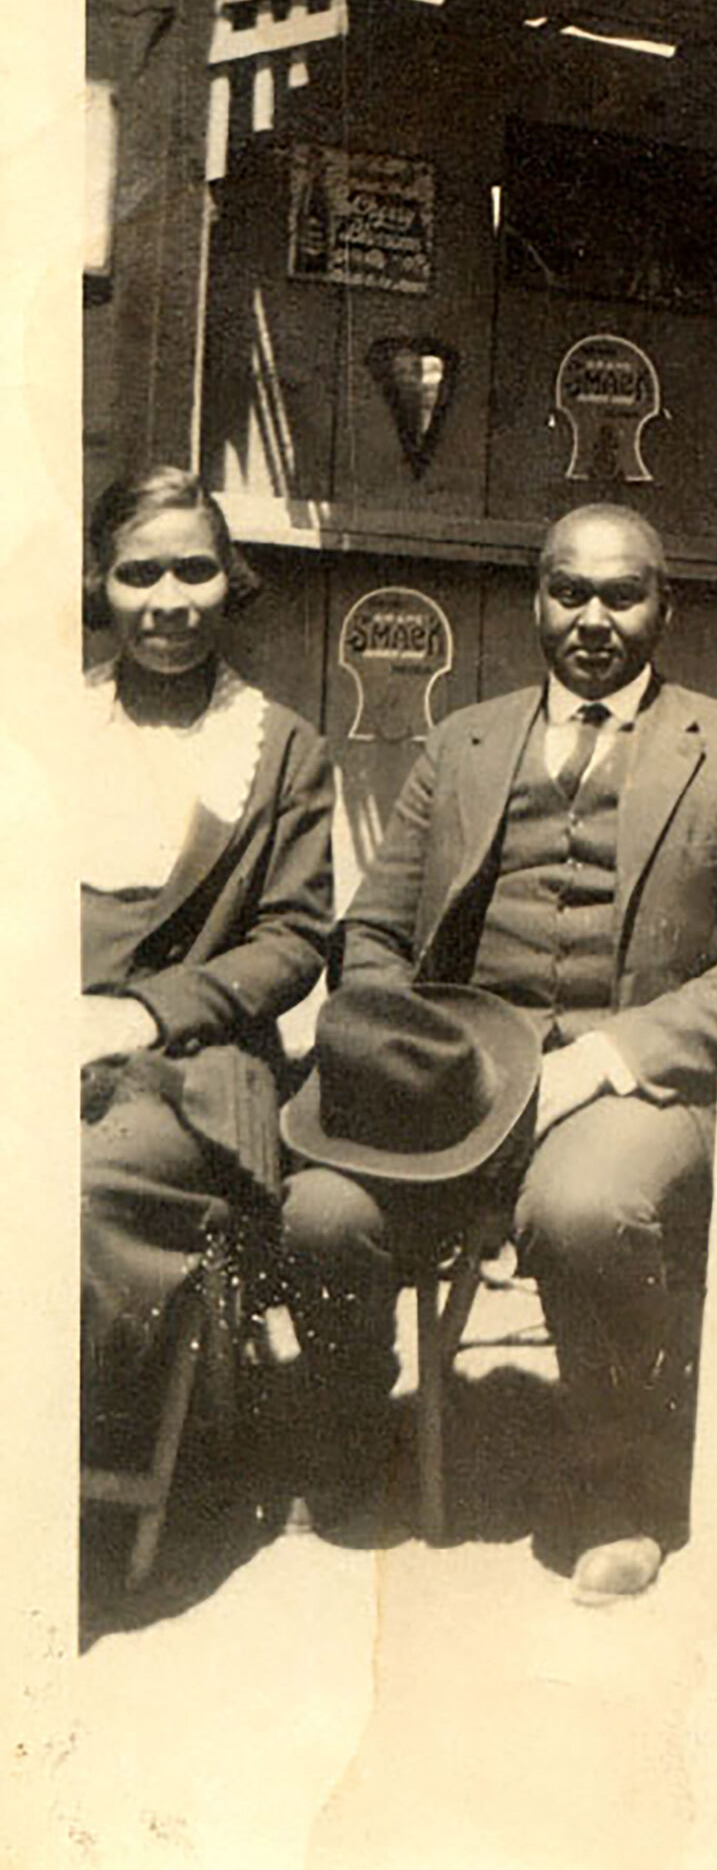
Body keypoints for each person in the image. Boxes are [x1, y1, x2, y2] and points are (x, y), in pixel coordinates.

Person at [281, 504, 717, 1599]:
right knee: (319, 1216)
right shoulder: (466, 740)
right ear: (537, 599)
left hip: (624, 1078)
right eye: (568, 592)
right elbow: (379, 929)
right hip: (461, 1079)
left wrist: (614, 1054)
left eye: (622, 594)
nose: (593, 618)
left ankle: (618, 1487)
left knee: (582, 1210)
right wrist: (409, 1047)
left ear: (664, 607)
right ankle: (356, 1427)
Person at [81, 468, 334, 1468]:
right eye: (141, 573)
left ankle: (75, 1465)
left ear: (232, 581)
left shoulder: (281, 752)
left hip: (192, 1073)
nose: (170, 601)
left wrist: (141, 1016)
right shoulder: (40, 730)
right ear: (101, 582)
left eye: (196, 569)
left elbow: (293, 941)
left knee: (72, 1190)